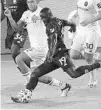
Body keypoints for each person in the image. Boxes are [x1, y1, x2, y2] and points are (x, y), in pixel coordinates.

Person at [10, 7, 101, 103]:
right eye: (42, 19)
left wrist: (49, 56)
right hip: (53, 56)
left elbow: (53, 40)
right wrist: (73, 28)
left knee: (74, 74)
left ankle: (96, 65)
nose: (43, 21)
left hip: (61, 55)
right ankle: (25, 96)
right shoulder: (58, 20)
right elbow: (70, 23)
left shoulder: (50, 25)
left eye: (44, 19)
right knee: (35, 74)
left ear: (49, 17)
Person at [4, 0, 71, 97]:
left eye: (32, 2)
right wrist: (9, 17)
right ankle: (63, 86)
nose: (30, 4)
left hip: (43, 48)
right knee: (39, 77)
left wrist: (40, 18)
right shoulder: (26, 14)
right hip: (36, 49)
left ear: (37, 2)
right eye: (28, 2)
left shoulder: (43, 12)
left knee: (19, 59)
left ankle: (28, 88)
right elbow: (17, 28)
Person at [69, 0, 101, 87]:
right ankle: (93, 56)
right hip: (81, 30)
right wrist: (74, 16)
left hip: (92, 31)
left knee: (88, 57)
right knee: (73, 55)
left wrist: (88, 21)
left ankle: (93, 79)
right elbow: (79, 10)